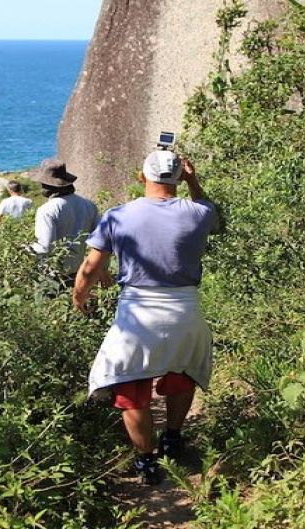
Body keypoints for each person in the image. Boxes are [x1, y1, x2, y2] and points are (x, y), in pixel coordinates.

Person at [73, 150, 219, 485]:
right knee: (183, 373)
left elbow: (91, 267)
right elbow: (212, 213)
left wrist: (79, 297)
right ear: (179, 177)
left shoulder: (118, 216)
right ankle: (173, 436)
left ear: (142, 176)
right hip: (186, 309)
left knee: (130, 386)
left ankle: (147, 461)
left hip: (137, 313)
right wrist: (193, 180)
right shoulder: (199, 213)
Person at [30, 159, 100, 284]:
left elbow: (45, 247)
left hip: (52, 274)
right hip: (78, 272)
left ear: (47, 186)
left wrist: (25, 248)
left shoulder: (46, 210)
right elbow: (100, 240)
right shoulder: (88, 205)